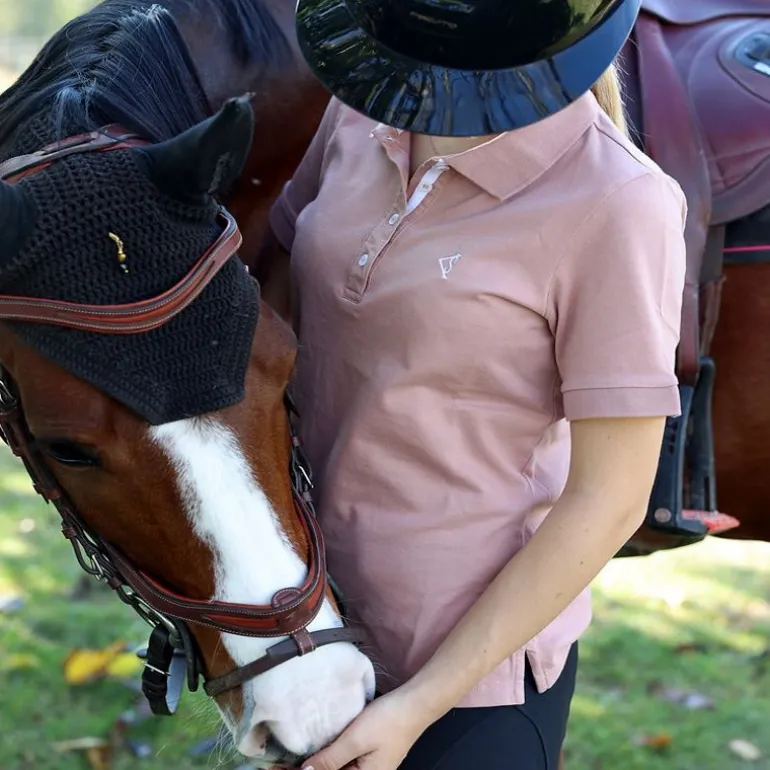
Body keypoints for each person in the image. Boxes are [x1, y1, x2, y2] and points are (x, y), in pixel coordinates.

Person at [256, 0, 687, 768]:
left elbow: (611, 499)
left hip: (464, 686)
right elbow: (276, 297)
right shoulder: (364, 108)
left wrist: (414, 710)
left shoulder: (618, 203)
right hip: (305, 633)